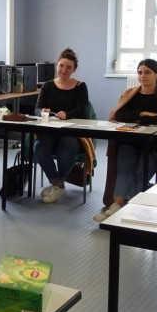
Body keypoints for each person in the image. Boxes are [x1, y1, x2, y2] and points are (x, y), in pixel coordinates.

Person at [94, 59, 157, 222]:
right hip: (129, 141)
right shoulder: (129, 94)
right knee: (125, 167)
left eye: (147, 72)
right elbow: (119, 115)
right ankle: (120, 205)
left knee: (141, 171)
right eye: (139, 72)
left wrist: (138, 117)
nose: (142, 76)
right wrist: (143, 114)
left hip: (155, 145)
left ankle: (120, 205)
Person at [34, 47, 89, 204]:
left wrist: (67, 114)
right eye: (61, 66)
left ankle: (58, 185)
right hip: (50, 130)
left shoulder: (80, 86)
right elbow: (37, 108)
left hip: (72, 131)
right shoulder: (47, 86)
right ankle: (58, 184)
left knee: (66, 148)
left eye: (69, 67)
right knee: (39, 148)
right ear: (57, 66)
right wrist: (42, 112)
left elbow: (82, 109)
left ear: (74, 70)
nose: (64, 70)